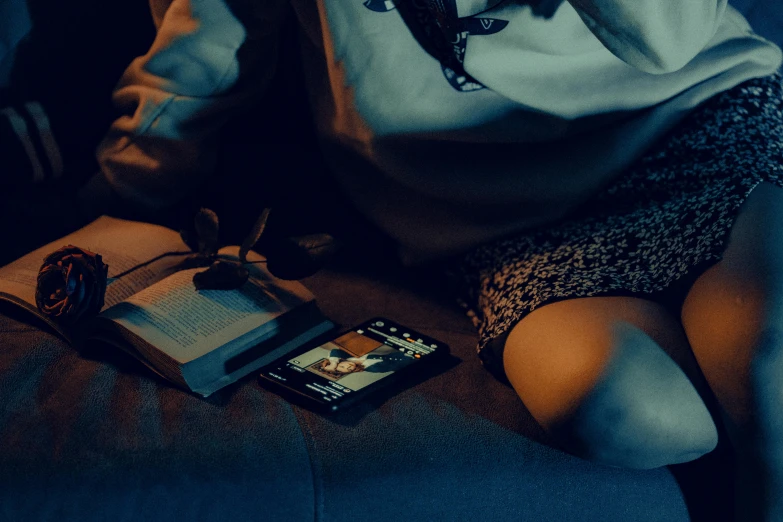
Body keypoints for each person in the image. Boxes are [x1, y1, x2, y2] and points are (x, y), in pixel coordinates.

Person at [7, 0, 783, 519]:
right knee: (630, 414)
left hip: (697, 123)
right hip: (499, 217)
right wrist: (107, 205)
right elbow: (207, 59)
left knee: (765, 369)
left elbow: (667, 36)